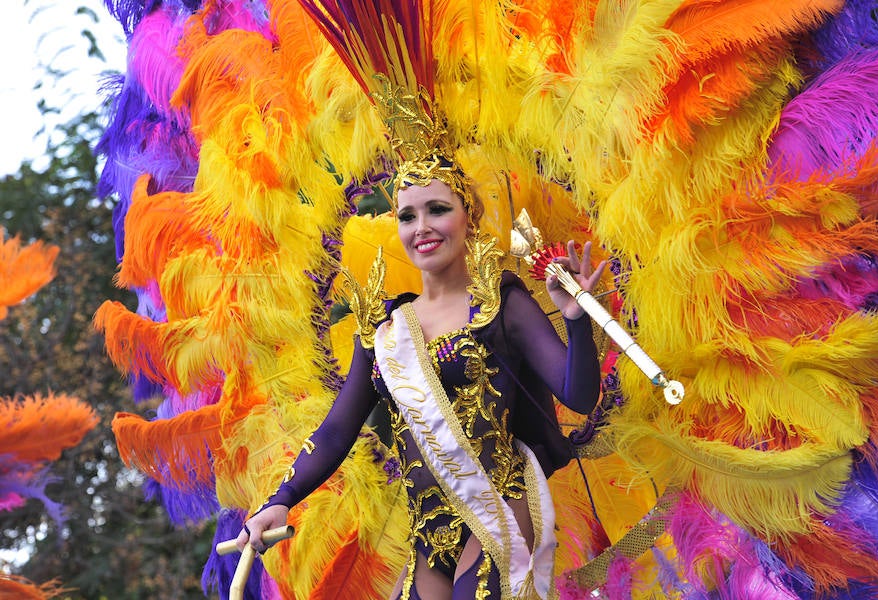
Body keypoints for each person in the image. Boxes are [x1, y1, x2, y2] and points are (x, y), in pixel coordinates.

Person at [237, 176, 604, 599]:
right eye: (408, 216)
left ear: (469, 217)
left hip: (498, 511)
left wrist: (576, 319)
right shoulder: (384, 332)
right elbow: (336, 431)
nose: (421, 227)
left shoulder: (500, 305)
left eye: (438, 210)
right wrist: (280, 500)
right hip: (427, 534)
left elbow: (578, 396)